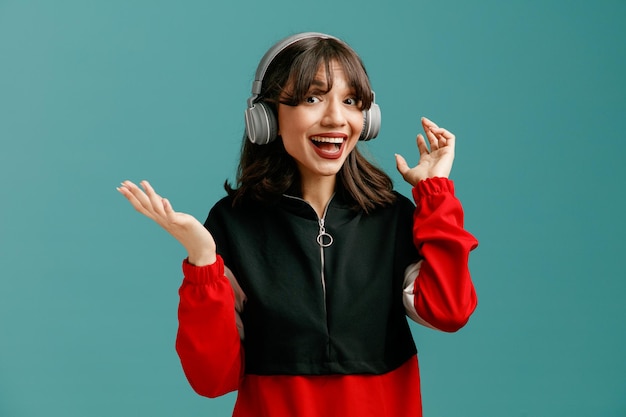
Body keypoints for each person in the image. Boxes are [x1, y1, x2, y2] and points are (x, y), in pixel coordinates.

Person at [118, 32, 478, 417]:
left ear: (367, 118)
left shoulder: (392, 218)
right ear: (267, 117)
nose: (336, 118)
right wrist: (204, 262)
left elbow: (449, 312)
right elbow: (212, 380)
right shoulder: (232, 223)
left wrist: (435, 195)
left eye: (351, 101)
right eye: (312, 98)